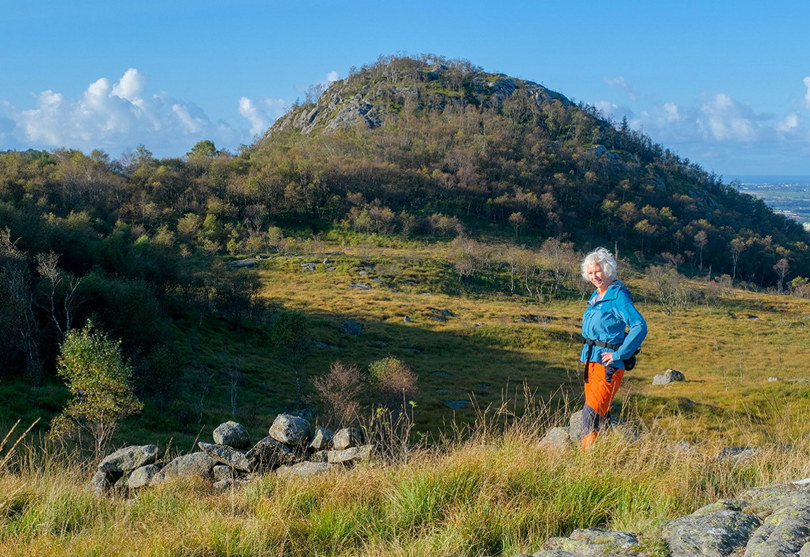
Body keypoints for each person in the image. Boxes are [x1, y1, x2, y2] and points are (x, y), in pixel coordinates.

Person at [579, 247, 647, 449]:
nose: (594, 276)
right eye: (590, 273)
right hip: (591, 362)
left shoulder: (618, 296)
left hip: (608, 364)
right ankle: (608, 454)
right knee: (600, 412)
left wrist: (620, 353)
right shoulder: (597, 295)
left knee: (590, 415)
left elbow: (639, 325)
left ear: (608, 270)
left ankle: (586, 462)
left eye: (598, 271)